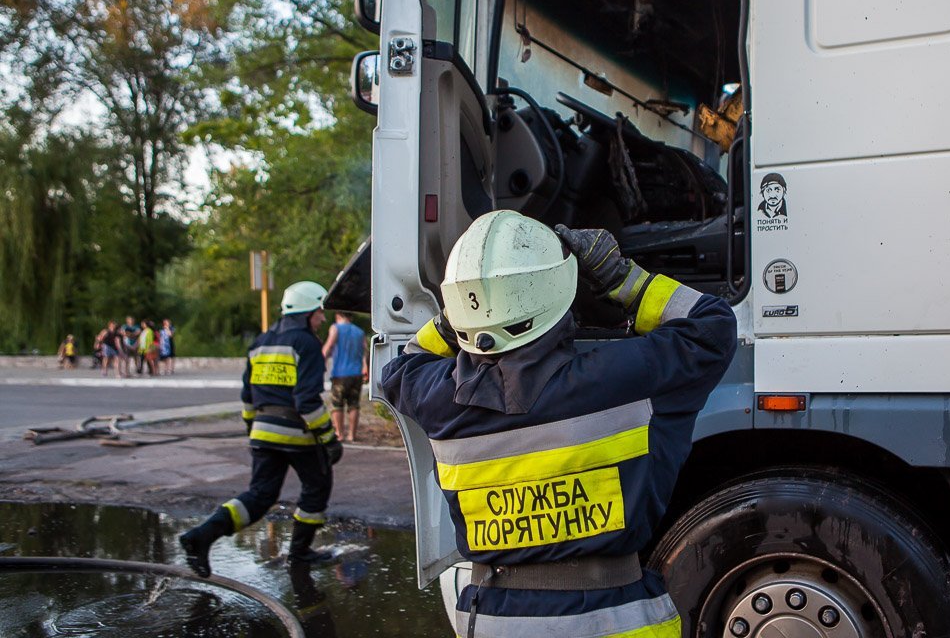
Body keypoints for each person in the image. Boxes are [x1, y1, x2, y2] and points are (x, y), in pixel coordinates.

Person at [381, 211, 737, 638]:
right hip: (616, 621)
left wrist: (462, 312)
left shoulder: (436, 398)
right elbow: (711, 328)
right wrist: (622, 278)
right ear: (558, 289)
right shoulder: (624, 378)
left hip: (494, 623)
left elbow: (402, 365)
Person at [179, 281, 344, 577]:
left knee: (260, 496)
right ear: (307, 313)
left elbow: (247, 398)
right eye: (319, 312)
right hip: (297, 433)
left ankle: (201, 536)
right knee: (317, 485)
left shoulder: (261, 341)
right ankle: (300, 553)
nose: (323, 318)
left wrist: (253, 430)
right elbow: (307, 402)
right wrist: (329, 438)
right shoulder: (306, 343)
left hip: (262, 431)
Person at [322, 313, 368, 442]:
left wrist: (322, 359)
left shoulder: (335, 328)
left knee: (337, 404)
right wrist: (365, 367)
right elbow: (365, 350)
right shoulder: (359, 331)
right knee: (354, 404)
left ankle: (340, 433)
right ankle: (352, 435)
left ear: (337, 315)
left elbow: (329, 345)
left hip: (340, 373)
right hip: (356, 373)